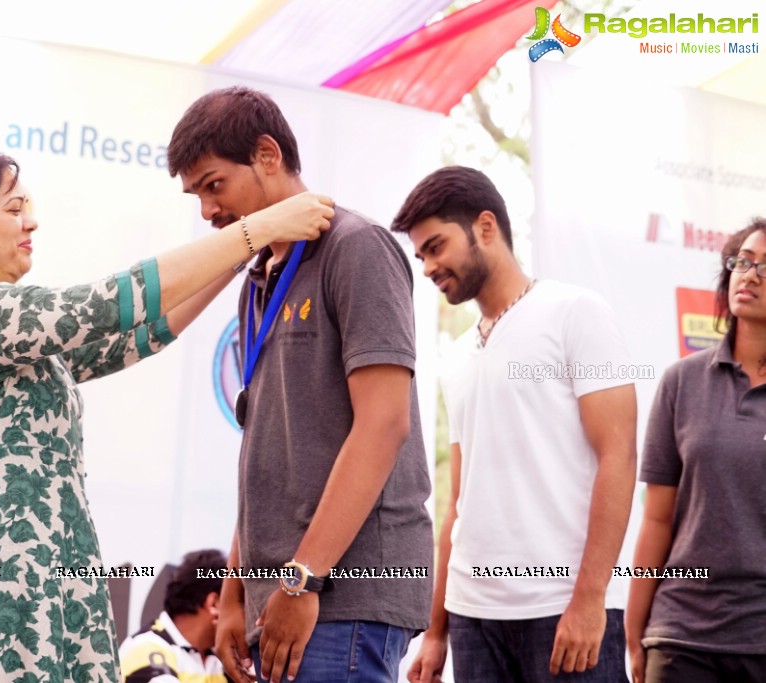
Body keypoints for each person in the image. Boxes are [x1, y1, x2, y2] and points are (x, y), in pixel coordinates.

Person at [0, 148, 333, 683]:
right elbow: (111, 300)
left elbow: (141, 335)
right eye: (15, 207)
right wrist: (259, 228)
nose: (32, 220)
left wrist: (237, 257)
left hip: (40, 575)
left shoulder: (15, 332)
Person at [167, 86, 434, 683]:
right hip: (283, 593)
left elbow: (385, 424)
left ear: (267, 155)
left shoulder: (356, 246)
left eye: (214, 185)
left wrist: (302, 577)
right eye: (197, 195)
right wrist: (235, 593)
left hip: (344, 588)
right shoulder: (256, 279)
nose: (208, 210)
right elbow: (266, 453)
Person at [391, 166, 637, 683]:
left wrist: (591, 600)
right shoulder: (457, 358)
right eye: (422, 256)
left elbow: (619, 458)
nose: (430, 267)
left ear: (485, 227)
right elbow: (459, 503)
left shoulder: (577, 313)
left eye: (436, 246)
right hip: (473, 616)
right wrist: (437, 630)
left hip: (564, 607)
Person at [625, 219, 766, 683]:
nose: (750, 274)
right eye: (744, 261)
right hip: (681, 635)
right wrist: (635, 630)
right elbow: (658, 519)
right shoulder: (681, 381)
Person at [120, 549, 230, 683]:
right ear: (214, 604)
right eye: (241, 603)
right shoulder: (144, 647)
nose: (250, 617)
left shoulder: (224, 659)